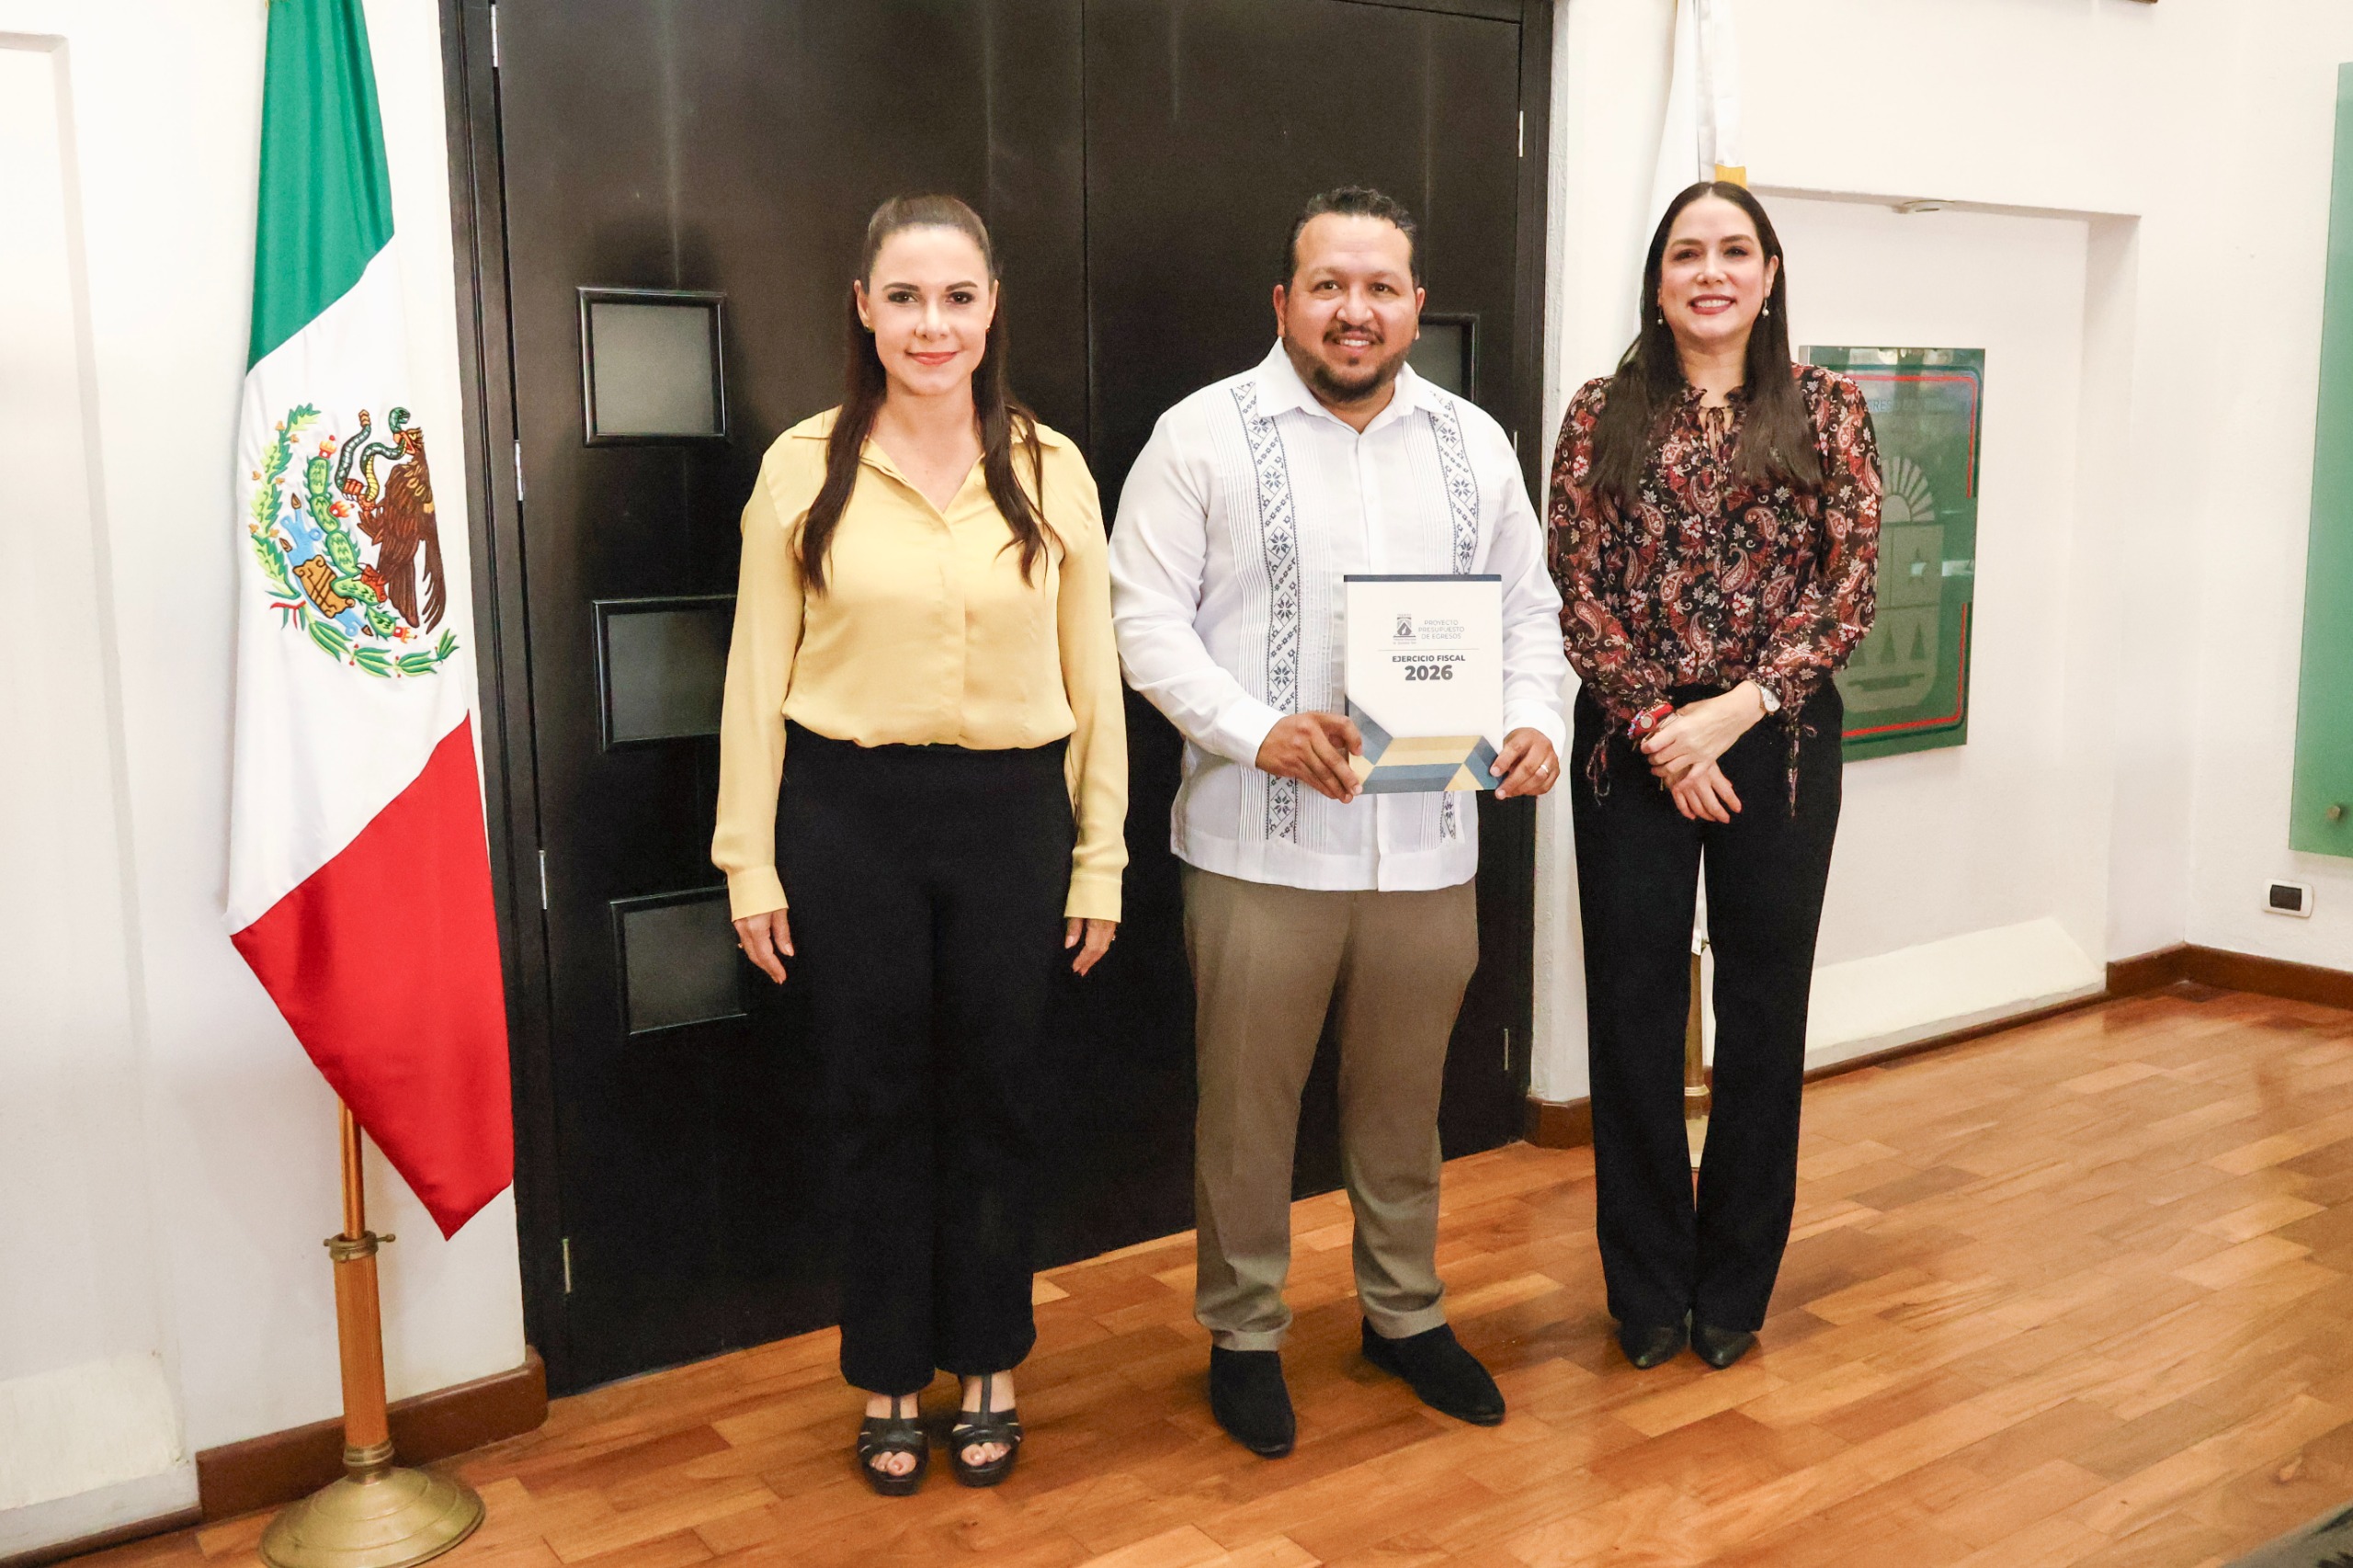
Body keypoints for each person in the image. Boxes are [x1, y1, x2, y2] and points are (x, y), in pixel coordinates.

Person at [1109, 187, 1568, 1459]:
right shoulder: (1201, 435)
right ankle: (1245, 1333)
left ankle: (1404, 1313)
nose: (1353, 310)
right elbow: (1141, 617)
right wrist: (1255, 728)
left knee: (1406, 1103)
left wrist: (1535, 717)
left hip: (1428, 843)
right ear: (1284, 301)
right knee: (1246, 1112)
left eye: (1378, 288)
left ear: (1416, 306)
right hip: (1261, 844)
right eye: (1327, 285)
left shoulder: (1474, 444)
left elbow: (1528, 612)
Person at [712, 194, 1126, 1494]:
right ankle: (890, 1373)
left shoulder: (1054, 469)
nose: (930, 325)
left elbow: (1096, 678)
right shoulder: (802, 468)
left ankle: (991, 1360)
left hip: (1012, 819)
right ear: (863, 307)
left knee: (999, 1099)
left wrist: (1101, 856)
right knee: (875, 1103)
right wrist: (748, 859)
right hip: (849, 820)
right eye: (904, 297)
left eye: (956, 298)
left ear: (992, 307)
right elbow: (753, 675)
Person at [1548, 181, 1881, 1373]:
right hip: (1630, 744)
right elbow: (1576, 587)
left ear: (1769, 275)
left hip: (1775, 740)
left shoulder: (1828, 408)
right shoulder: (1600, 413)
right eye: (1687, 253)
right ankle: (1646, 1289)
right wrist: (1659, 727)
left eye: (1735, 251)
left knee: (1763, 1013)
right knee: (1633, 1014)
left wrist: (1730, 715)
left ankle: (1735, 1286)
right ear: (1658, 280)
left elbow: (1848, 589)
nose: (1712, 272)